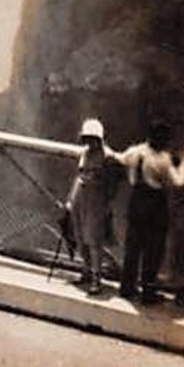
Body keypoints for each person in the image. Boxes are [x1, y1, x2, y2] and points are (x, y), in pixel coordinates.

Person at [114, 119, 184, 303]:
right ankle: (148, 293)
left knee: (132, 248)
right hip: (155, 207)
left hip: (135, 203)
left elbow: (118, 158)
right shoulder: (163, 159)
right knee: (153, 251)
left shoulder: (135, 151)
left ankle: (127, 288)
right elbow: (178, 181)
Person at [63, 118, 115, 296]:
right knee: (79, 236)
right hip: (80, 198)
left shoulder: (107, 157)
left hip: (96, 200)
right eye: (87, 138)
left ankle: (96, 279)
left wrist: (107, 204)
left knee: (94, 240)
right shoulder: (84, 153)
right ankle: (85, 270)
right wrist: (70, 200)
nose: (89, 141)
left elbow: (112, 184)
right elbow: (78, 176)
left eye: (92, 138)